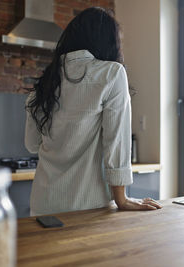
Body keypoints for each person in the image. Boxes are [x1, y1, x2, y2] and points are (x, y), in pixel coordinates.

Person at [25, 7, 162, 216]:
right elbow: (116, 142)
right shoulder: (111, 73)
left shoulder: (46, 83)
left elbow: (32, 145)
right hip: (88, 207)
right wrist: (121, 199)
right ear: (107, 41)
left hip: (42, 205)